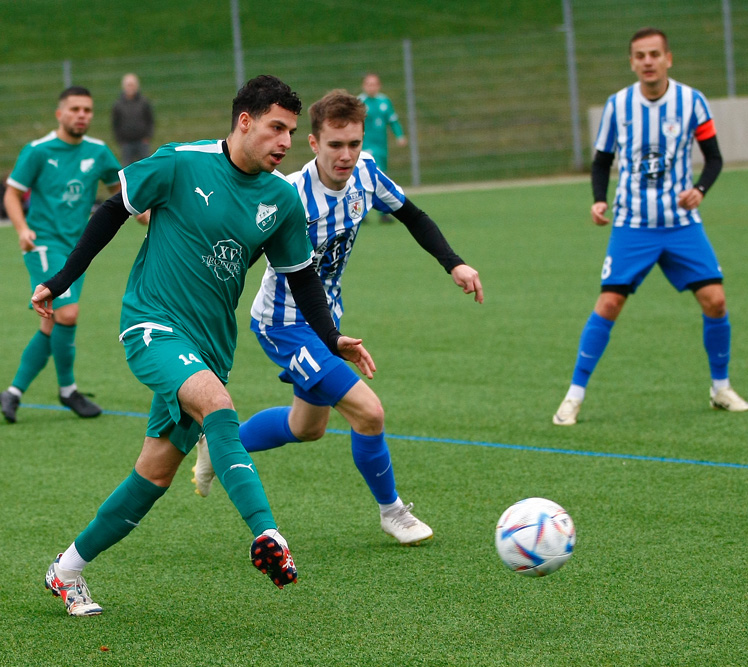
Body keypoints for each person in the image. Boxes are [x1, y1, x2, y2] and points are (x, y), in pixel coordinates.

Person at [32, 75, 375, 616]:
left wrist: (331, 338)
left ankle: (67, 569)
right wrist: (60, 278)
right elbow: (110, 212)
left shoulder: (281, 198)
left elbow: (302, 277)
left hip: (212, 347)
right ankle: (267, 534)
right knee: (218, 405)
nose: (286, 142)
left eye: (289, 130)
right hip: (152, 326)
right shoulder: (179, 163)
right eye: (276, 128)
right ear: (245, 121)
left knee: (155, 473)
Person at [191, 90, 483, 545]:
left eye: (354, 143)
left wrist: (455, 263)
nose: (346, 155)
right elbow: (240, 249)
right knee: (369, 412)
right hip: (283, 324)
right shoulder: (288, 193)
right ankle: (393, 512)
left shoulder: (367, 175)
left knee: (305, 428)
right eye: (335, 145)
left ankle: (219, 444)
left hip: (326, 324)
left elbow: (413, 215)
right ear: (313, 143)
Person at [552, 27, 748, 427]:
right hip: (633, 225)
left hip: (681, 224)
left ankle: (721, 388)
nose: (648, 62)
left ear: (668, 59)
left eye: (654, 54)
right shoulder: (618, 105)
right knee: (609, 304)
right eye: (640, 56)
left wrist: (699, 190)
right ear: (632, 62)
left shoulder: (692, 101)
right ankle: (573, 397)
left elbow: (713, 159)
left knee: (715, 300)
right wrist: (598, 198)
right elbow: (600, 161)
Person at [0, 86, 123, 424]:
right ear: (60, 114)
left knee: (52, 324)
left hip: (77, 250)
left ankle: (13, 393)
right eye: (75, 109)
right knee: (67, 314)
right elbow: (12, 194)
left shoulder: (98, 152)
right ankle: (68, 390)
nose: (82, 115)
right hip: (43, 245)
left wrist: (143, 213)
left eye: (88, 110)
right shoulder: (37, 151)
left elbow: (120, 190)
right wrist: (22, 229)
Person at [358, 73, 407, 222]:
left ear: (378, 86)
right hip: (365, 146)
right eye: (368, 84)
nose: (371, 87)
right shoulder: (359, 102)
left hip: (381, 147)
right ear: (364, 86)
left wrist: (400, 135)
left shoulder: (384, 101)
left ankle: (378, 213)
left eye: (374, 84)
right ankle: (365, 213)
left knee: (378, 177)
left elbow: (393, 121)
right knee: (369, 177)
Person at [111, 73, 155, 166]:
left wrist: (148, 136)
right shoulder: (118, 105)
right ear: (123, 86)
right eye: (128, 85)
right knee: (127, 168)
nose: (130, 87)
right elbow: (115, 123)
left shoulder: (144, 102)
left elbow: (150, 120)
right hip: (126, 143)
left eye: (132, 85)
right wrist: (120, 140)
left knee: (146, 166)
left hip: (142, 141)